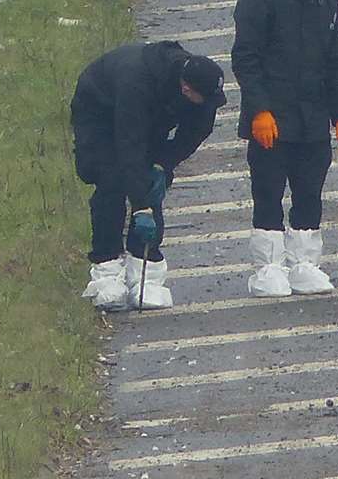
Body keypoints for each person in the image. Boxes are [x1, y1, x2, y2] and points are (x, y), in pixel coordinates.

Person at [231, 0, 338, 296]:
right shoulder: (260, 1)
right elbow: (246, 60)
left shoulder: (327, 4)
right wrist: (259, 110)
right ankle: (269, 268)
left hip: (313, 117)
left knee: (309, 192)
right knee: (268, 192)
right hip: (271, 118)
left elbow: (334, 63)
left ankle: (304, 264)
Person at [70, 41, 225, 311]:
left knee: (152, 183)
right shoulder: (136, 81)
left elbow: (195, 132)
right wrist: (140, 207)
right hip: (101, 111)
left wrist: (163, 165)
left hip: (148, 119)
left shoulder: (202, 91)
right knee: (112, 181)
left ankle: (147, 271)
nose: (208, 106)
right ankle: (107, 270)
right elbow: (130, 145)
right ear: (186, 89)